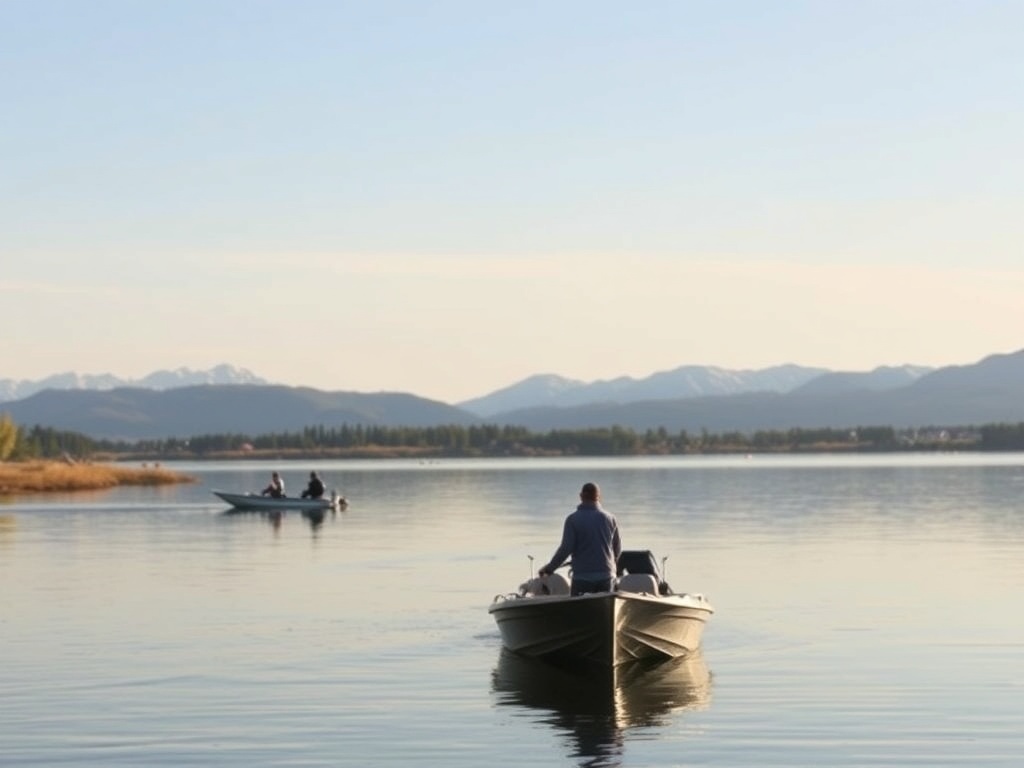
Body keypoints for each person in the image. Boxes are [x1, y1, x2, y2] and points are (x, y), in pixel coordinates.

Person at [538, 481, 622, 596]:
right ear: (598, 497)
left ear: (581, 496)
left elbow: (566, 549)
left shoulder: (572, 520)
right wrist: (612, 568)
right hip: (606, 576)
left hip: (582, 578)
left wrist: (549, 569)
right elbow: (617, 549)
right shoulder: (610, 518)